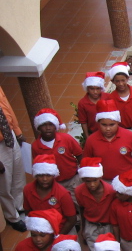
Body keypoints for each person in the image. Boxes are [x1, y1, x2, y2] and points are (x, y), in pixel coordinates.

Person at [83, 99, 132, 183]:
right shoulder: (91, 140)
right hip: (104, 181)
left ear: (118, 122)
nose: (108, 128)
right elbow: (87, 161)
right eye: (104, 125)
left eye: (112, 125)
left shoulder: (129, 136)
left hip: (127, 180)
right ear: (98, 123)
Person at [32, 108, 82, 206]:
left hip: (73, 180)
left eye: (50, 124)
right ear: (38, 127)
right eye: (44, 125)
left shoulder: (66, 138)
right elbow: (38, 167)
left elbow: (79, 155)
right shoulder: (35, 146)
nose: (47, 128)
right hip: (54, 184)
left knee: (80, 203)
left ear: (55, 126)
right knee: (61, 206)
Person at [24, 155, 76, 234]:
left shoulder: (63, 193)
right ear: (36, 175)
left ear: (53, 175)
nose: (45, 179)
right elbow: (27, 211)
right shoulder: (27, 190)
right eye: (41, 175)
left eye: (48, 175)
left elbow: (71, 220)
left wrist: (58, 237)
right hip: (39, 231)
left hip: (62, 230)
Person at [75, 158, 115, 251]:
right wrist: (83, 229)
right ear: (83, 179)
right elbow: (82, 209)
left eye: (95, 180)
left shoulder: (111, 190)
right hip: (91, 226)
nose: (92, 184)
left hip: (108, 226)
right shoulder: (79, 191)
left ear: (100, 177)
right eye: (88, 181)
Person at [0, 84, 27, 232]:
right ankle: (12, 217)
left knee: (17, 173)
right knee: (4, 183)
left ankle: (20, 206)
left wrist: (17, 131)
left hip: (9, 135)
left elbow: (7, 108)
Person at [108, 62, 132, 149]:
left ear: (127, 78)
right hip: (124, 131)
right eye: (117, 81)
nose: (121, 83)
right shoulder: (111, 98)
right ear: (112, 81)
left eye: (123, 80)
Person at [77, 72, 110, 139]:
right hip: (94, 134)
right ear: (87, 88)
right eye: (92, 89)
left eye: (98, 89)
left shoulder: (108, 97)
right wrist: (87, 137)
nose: (95, 92)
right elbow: (83, 122)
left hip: (109, 132)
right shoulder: (82, 103)